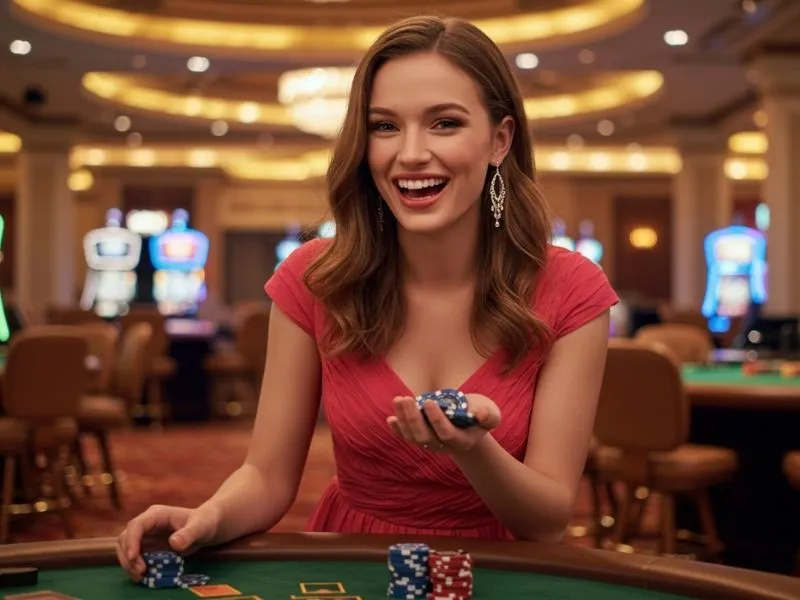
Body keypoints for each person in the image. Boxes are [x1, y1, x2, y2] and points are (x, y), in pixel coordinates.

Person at [116, 14, 618, 581]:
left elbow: (547, 519)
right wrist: (206, 517)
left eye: (445, 123)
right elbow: (267, 476)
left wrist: (472, 449)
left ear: (500, 140)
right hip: (351, 564)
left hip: (500, 572)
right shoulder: (314, 279)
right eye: (384, 126)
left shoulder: (572, 289)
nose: (411, 153)